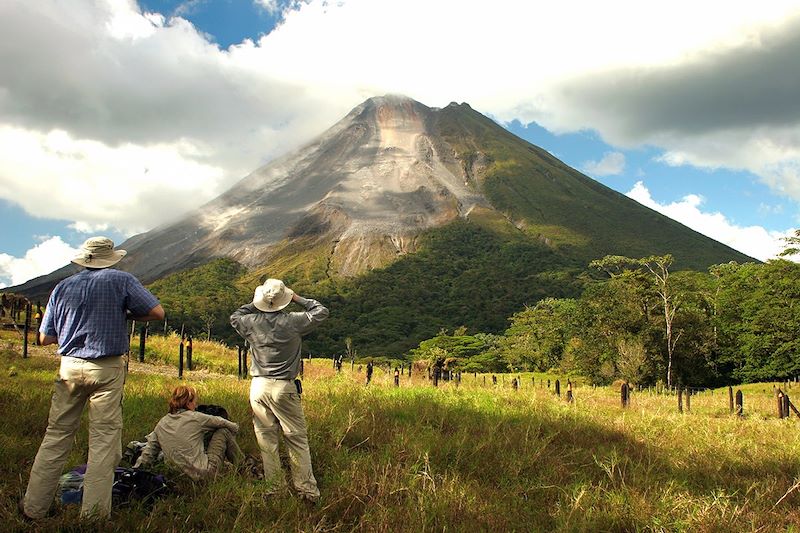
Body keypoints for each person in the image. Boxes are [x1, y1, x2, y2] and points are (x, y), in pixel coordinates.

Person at [22, 237, 164, 521]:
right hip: (106, 368)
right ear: (111, 257)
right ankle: (93, 516)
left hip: (69, 368)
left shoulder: (62, 287)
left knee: (56, 436)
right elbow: (157, 312)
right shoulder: (121, 280)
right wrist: (123, 314)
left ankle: (34, 508)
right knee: (103, 441)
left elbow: (44, 338)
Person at [230, 279, 328, 503]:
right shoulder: (294, 321)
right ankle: (307, 492)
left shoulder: (251, 322)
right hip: (284, 386)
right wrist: (298, 299)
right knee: (296, 439)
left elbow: (235, 316)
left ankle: (275, 490)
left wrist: (256, 304)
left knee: (267, 440)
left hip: (258, 386)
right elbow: (321, 311)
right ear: (285, 300)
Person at [134, 386, 243, 479]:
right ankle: (245, 467)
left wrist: (135, 470)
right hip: (204, 474)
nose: (196, 405)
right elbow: (225, 423)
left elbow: (149, 452)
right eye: (195, 402)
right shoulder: (196, 417)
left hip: (176, 476)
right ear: (188, 402)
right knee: (223, 431)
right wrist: (235, 430)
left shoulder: (162, 423)